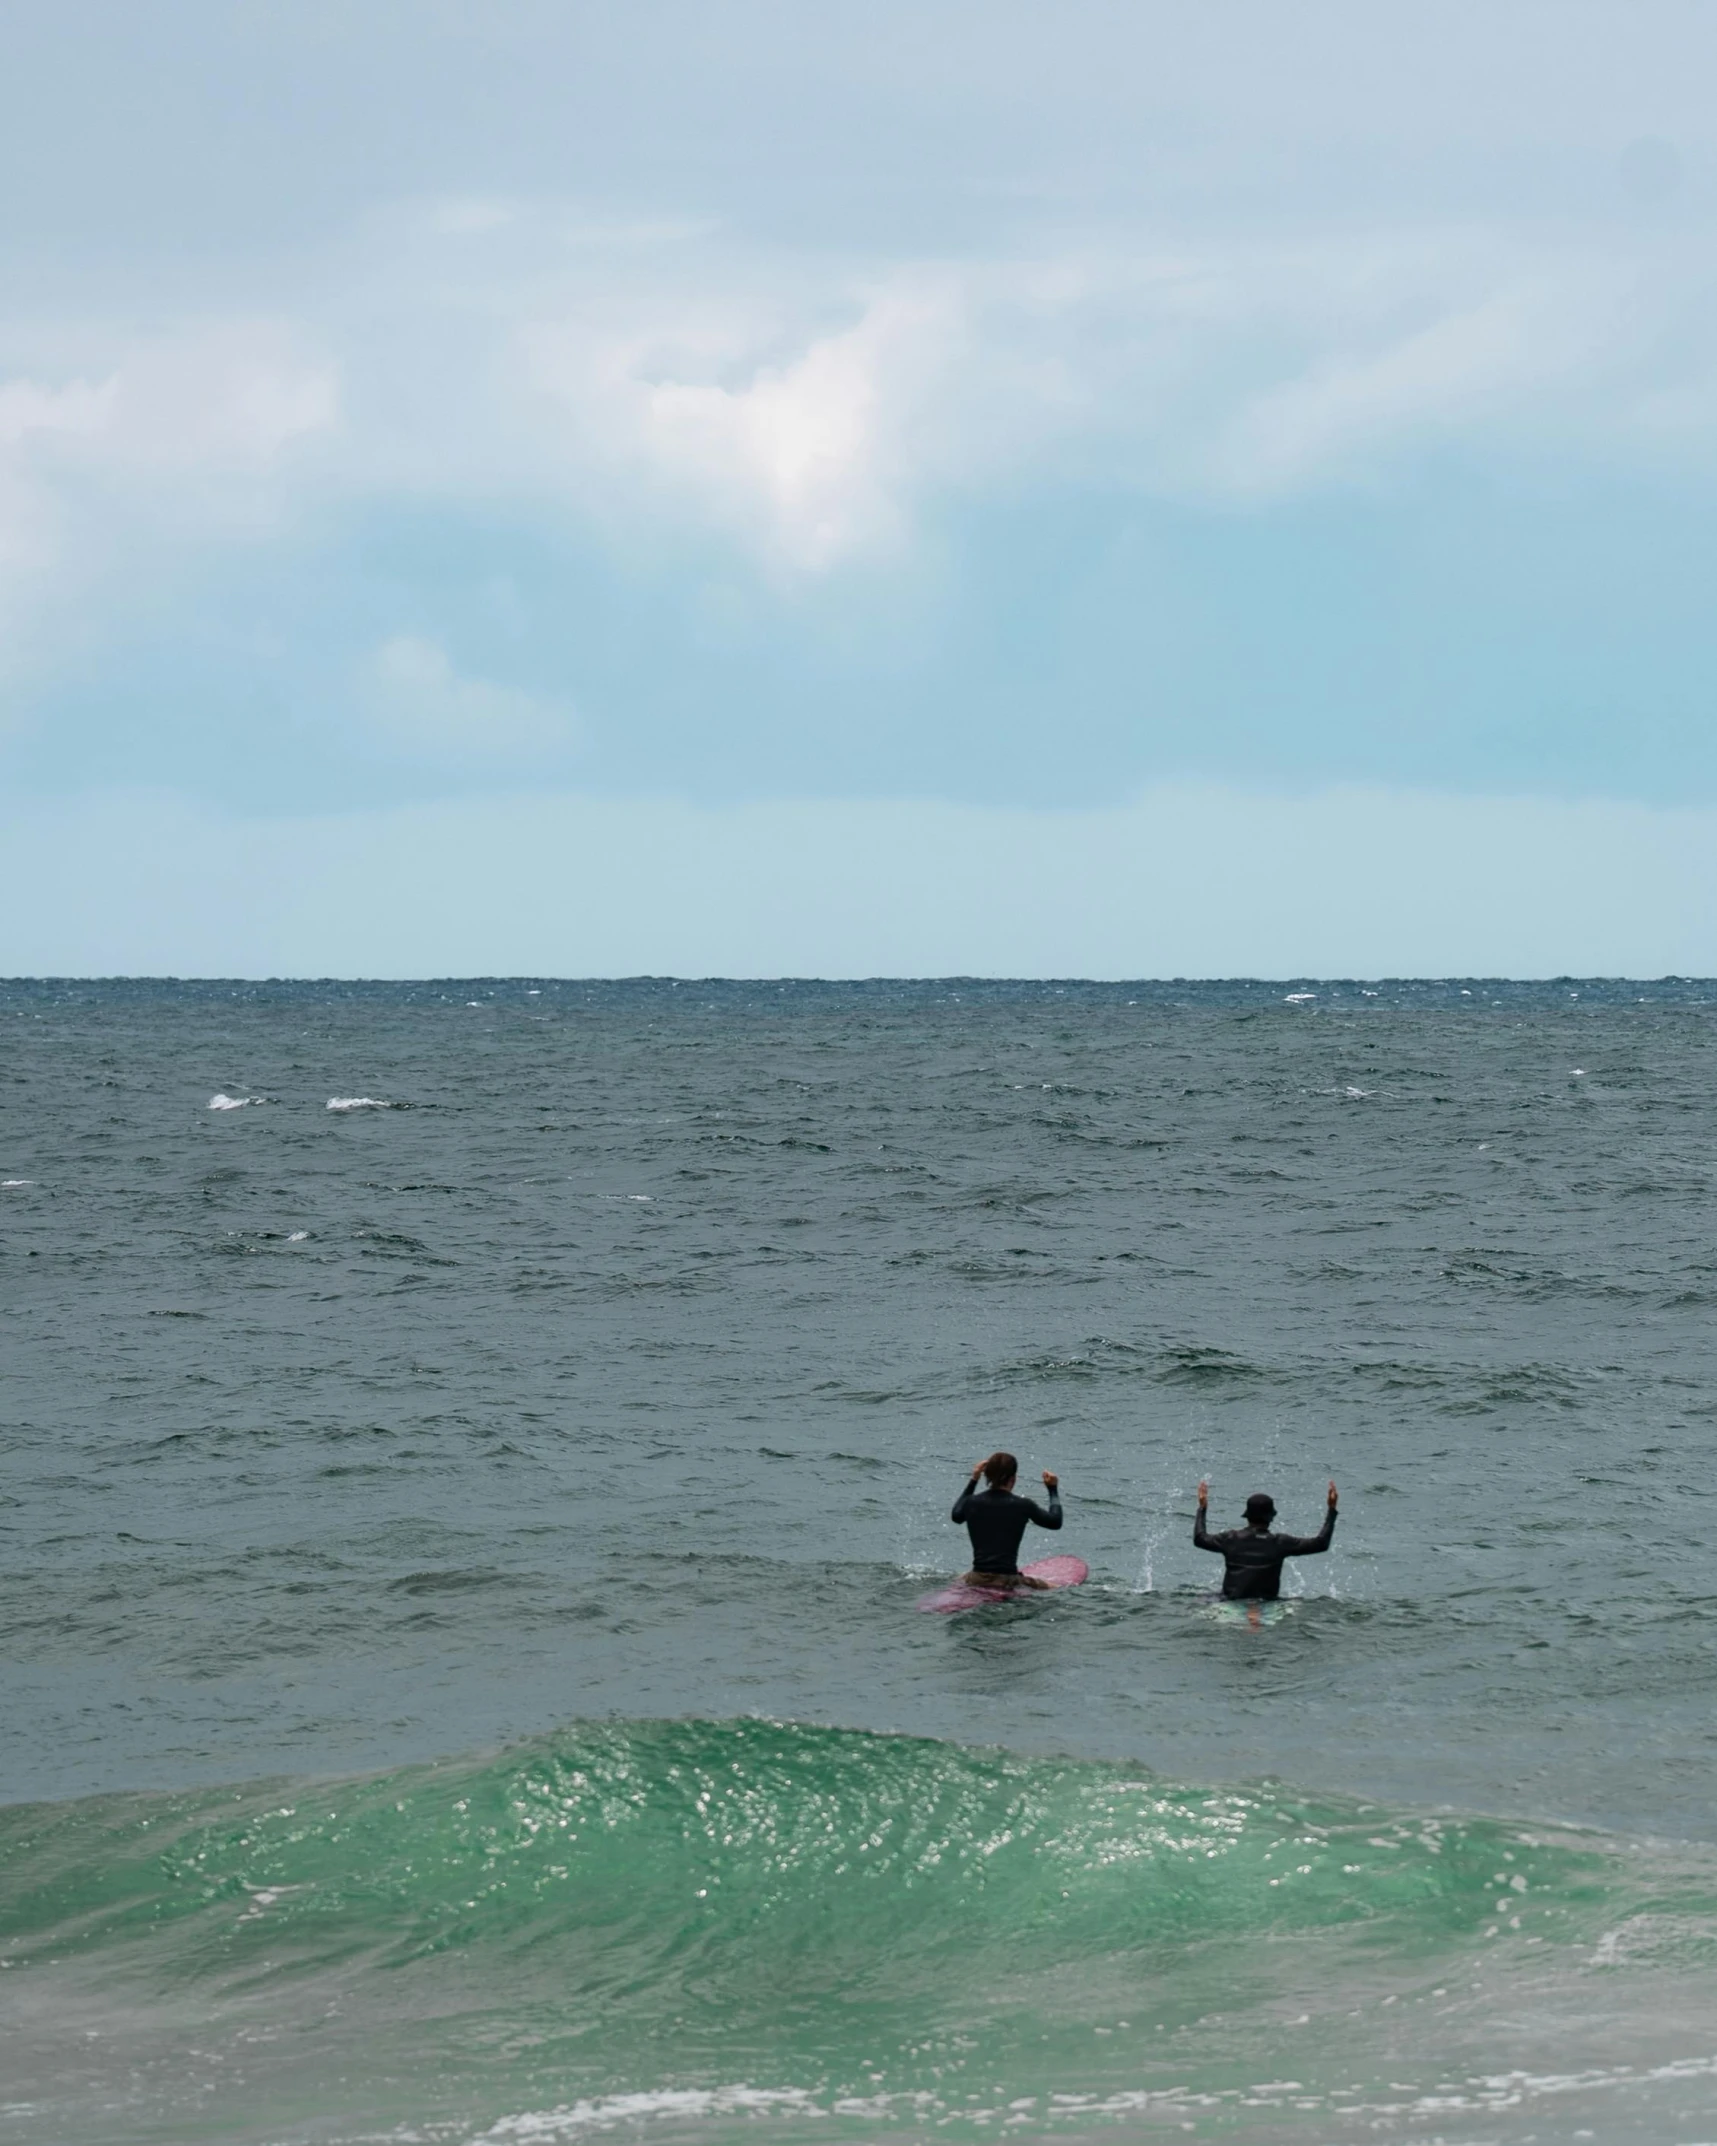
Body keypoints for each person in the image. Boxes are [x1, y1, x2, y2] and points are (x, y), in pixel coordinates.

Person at [1194, 1480, 1338, 1600]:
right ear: (1271, 1517)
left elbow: (1200, 1539)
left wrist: (1202, 1508)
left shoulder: (1230, 1539)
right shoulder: (1281, 1542)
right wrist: (1331, 1510)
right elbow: (1321, 1543)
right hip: (1267, 1605)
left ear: (1247, 1516)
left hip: (1231, 1601)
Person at [952, 1452, 1062, 1586]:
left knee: (958, 1579)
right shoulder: (1023, 1505)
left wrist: (974, 1479)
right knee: (1055, 1587)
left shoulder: (971, 1502)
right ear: (1013, 1478)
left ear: (987, 1476)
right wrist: (1052, 1489)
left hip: (976, 1578)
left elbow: (956, 1516)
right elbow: (1055, 1522)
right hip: (1008, 1580)